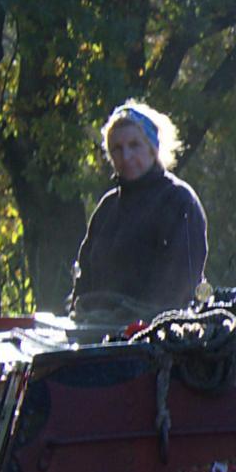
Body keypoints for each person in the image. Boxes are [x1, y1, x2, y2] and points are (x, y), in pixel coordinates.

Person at [65, 100, 210, 326]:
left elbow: (179, 290)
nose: (126, 156)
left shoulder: (179, 201)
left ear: (152, 148)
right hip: (97, 334)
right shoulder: (107, 208)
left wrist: (134, 325)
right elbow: (84, 281)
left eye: (134, 145)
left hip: (158, 340)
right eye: (117, 148)